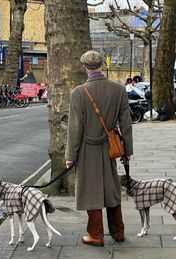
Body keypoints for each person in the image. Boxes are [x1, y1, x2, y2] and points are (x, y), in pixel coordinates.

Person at [65, 50, 133, 247]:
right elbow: (126, 123)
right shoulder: (119, 89)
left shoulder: (78, 92)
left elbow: (75, 128)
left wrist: (71, 156)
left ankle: (96, 235)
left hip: (87, 148)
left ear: (84, 67)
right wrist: (127, 151)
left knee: (90, 190)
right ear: (101, 65)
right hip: (110, 147)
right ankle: (118, 232)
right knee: (111, 189)